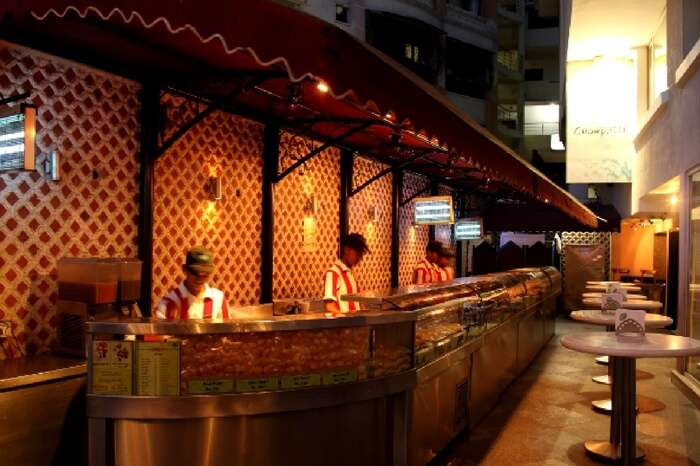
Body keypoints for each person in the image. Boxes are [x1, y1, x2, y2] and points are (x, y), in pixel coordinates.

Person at [155, 246, 229, 320]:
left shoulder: (218, 298)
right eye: (195, 273)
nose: (200, 278)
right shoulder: (170, 302)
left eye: (205, 274)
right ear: (185, 269)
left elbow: (226, 329)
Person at [323, 233, 369, 315]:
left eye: (361, 255)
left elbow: (358, 303)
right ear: (346, 250)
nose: (359, 258)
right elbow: (329, 307)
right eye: (357, 254)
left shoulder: (351, 274)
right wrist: (346, 317)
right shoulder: (333, 273)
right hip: (344, 326)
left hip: (356, 325)